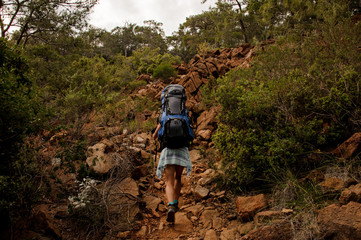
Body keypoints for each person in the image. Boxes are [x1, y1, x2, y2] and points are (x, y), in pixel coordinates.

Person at [152, 123, 192, 223]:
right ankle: (175, 203)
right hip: (182, 150)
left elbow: (154, 136)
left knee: (169, 181)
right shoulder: (183, 114)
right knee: (178, 178)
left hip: (168, 150)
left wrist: (156, 132)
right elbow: (191, 134)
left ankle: (170, 206)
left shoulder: (164, 116)